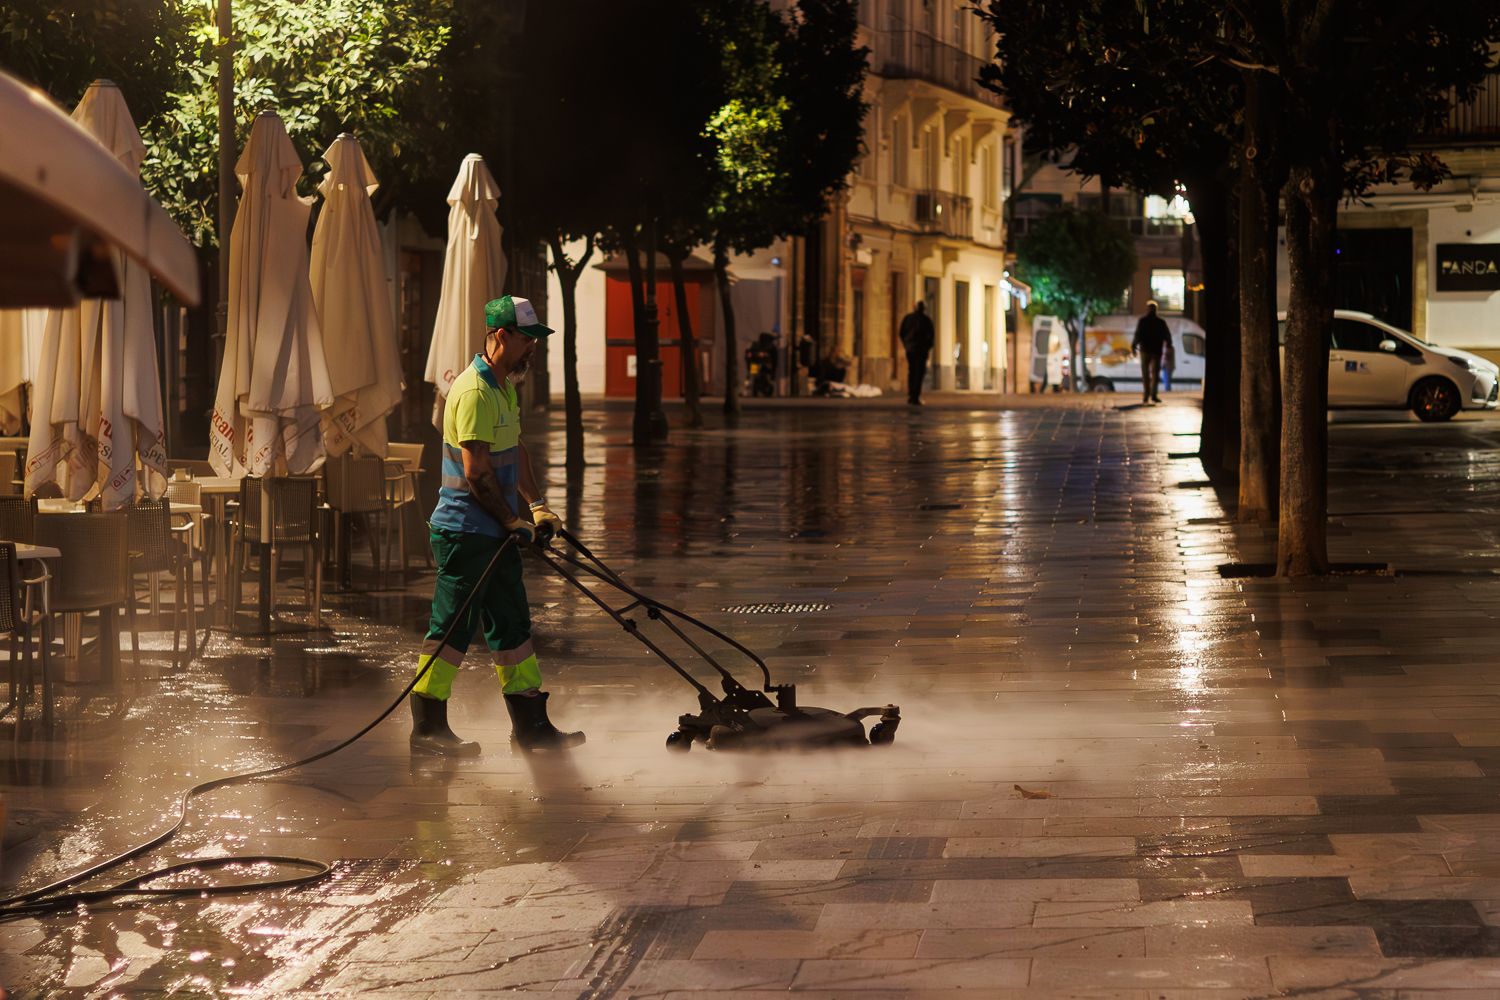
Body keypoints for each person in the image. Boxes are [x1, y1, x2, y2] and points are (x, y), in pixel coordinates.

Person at [409, 295, 584, 757]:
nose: (532, 349)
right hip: (465, 534)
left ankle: (531, 728)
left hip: (497, 533)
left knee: (512, 626)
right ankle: (427, 730)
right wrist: (512, 519)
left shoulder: (504, 386)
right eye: (527, 340)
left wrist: (539, 506)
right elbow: (477, 472)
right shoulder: (473, 392)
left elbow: (516, 450)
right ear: (501, 335)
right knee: (451, 631)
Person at [1131, 300, 1171, 404]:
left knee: (1145, 374)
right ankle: (1153, 395)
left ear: (1148, 309)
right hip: (1156, 351)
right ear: (1156, 310)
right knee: (1155, 374)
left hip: (1145, 350)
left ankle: (1146, 395)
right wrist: (1168, 344)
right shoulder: (1161, 322)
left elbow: (1138, 334)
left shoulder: (1143, 321)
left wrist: (1134, 346)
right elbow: (1167, 335)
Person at [898, 302, 935, 406]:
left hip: (911, 350)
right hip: (921, 350)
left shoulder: (908, 319)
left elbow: (901, 332)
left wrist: (906, 344)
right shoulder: (926, 320)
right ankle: (915, 396)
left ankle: (911, 395)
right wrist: (927, 347)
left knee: (912, 371)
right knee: (919, 373)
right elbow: (930, 336)